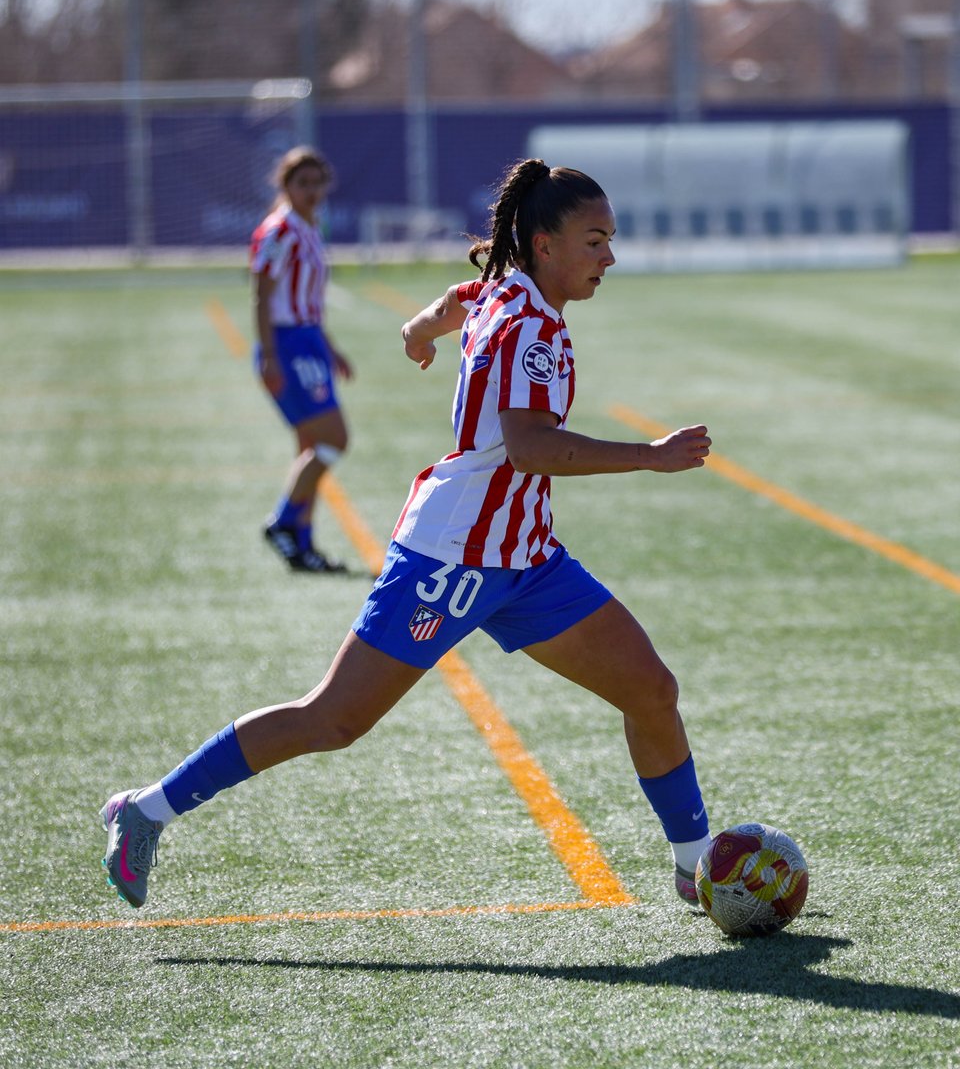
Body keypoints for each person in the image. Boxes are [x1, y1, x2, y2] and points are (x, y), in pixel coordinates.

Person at [101, 158, 714, 911]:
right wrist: (648, 457)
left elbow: (462, 297)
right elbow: (529, 447)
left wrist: (420, 328)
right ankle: (145, 811)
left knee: (651, 690)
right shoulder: (528, 326)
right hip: (452, 555)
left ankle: (697, 866)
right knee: (333, 719)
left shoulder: (507, 292)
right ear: (544, 244)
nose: (609, 258)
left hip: (525, 557)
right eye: (595, 241)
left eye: (610, 240)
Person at [251, 145, 352, 573]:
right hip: (288, 345)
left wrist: (330, 348)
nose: (311, 191)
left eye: (317, 183)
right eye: (301, 183)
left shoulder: (311, 227)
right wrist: (271, 356)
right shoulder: (279, 231)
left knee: (312, 447)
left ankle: (304, 545)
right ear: (285, 185)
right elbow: (261, 295)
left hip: (308, 342)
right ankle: (283, 521)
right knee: (335, 439)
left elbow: (309, 300)